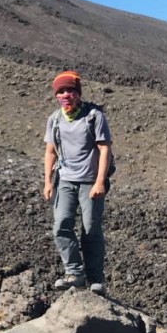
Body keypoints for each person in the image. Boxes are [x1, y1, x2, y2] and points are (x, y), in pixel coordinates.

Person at [42, 70, 112, 295]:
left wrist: (100, 181)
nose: (66, 95)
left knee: (91, 229)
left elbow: (104, 148)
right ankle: (74, 273)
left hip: (90, 182)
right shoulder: (55, 119)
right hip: (65, 180)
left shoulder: (93, 116)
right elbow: (50, 152)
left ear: (78, 92)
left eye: (70, 90)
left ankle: (95, 279)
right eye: (61, 91)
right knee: (61, 225)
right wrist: (47, 181)